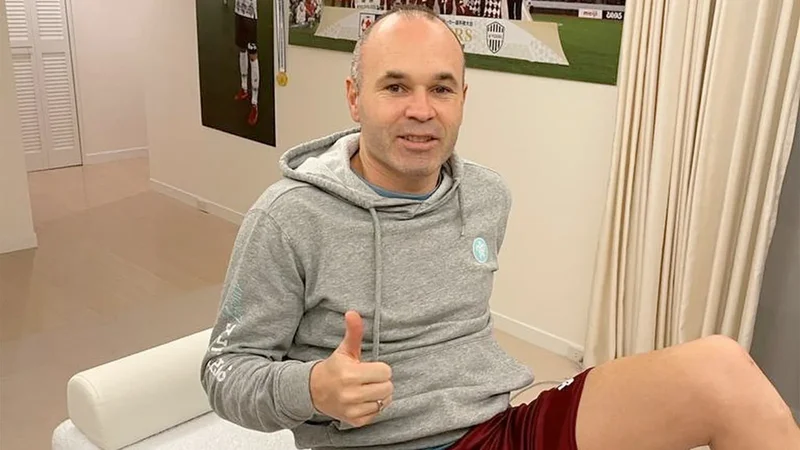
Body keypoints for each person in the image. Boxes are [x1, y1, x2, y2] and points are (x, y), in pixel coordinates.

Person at [201, 5, 800, 450]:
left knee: (722, 369)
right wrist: (312, 388)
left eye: (441, 88)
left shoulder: (487, 196)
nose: (421, 110)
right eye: (395, 87)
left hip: (497, 430)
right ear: (355, 98)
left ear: (463, 98)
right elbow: (225, 371)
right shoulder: (288, 219)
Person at [233, 0, 259, 126]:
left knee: (252, 55)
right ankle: (244, 88)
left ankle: (254, 103)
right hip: (238, 11)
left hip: (250, 15)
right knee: (242, 49)